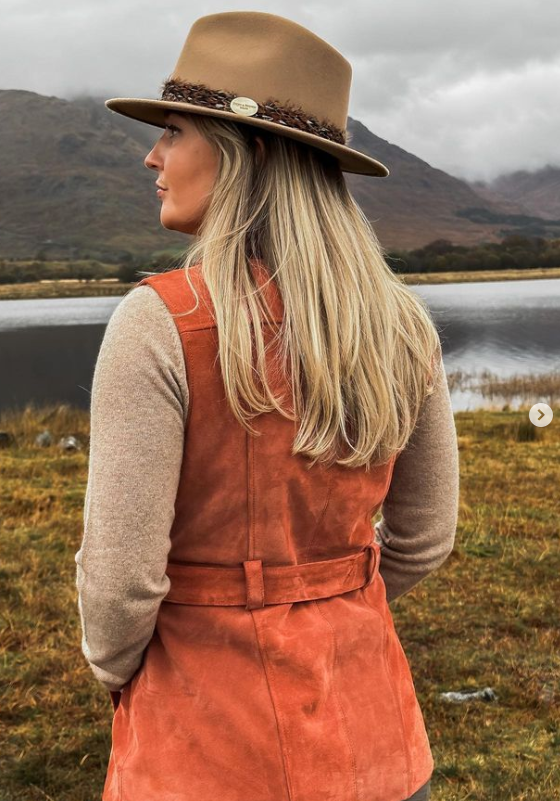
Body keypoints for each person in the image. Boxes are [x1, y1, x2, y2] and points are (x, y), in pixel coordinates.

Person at [75, 11, 459, 801]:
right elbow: (425, 538)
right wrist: (329, 599)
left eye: (174, 131)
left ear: (243, 153)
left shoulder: (158, 323)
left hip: (205, 759)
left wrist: (123, 676)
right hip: (378, 750)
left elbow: (118, 591)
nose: (151, 156)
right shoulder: (399, 324)